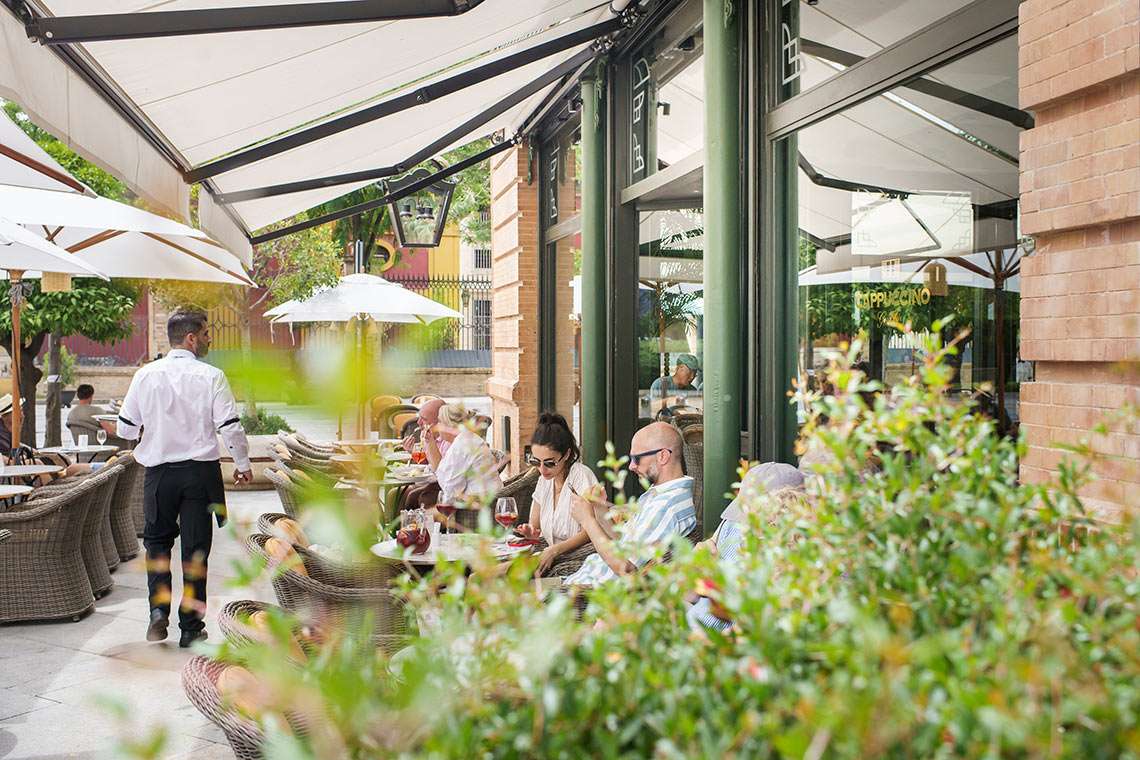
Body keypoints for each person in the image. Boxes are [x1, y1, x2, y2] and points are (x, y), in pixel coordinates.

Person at [117, 310, 252, 648]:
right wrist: (242, 462)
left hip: (159, 474)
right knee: (195, 552)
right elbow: (230, 426)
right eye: (206, 333)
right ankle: (190, 627)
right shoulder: (212, 376)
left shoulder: (145, 375)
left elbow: (125, 428)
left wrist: (152, 430)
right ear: (191, 338)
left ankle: (157, 612)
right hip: (199, 475)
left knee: (157, 544)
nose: (210, 339)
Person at [562, 422, 696, 587]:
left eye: (637, 458)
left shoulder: (666, 507)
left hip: (589, 595)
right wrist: (600, 508)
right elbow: (624, 544)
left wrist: (587, 521)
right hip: (582, 582)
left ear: (662, 456)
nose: (631, 466)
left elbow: (626, 569)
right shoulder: (660, 495)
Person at [686, 463, 805, 632]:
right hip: (692, 627)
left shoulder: (798, 555)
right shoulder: (732, 525)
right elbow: (690, 593)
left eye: (754, 510)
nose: (746, 519)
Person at [514, 412, 598, 576]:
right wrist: (530, 532)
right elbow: (535, 527)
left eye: (550, 463)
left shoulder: (581, 476)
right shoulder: (544, 480)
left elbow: (592, 529)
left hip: (577, 559)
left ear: (566, 454)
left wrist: (554, 551)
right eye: (536, 461)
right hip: (550, 556)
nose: (542, 469)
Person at [424, 402, 501, 512]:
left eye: (440, 422)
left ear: (450, 425)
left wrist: (430, 447)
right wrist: (430, 444)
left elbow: (450, 491)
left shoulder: (462, 445)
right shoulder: (466, 439)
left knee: (421, 516)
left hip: (476, 508)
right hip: (487, 502)